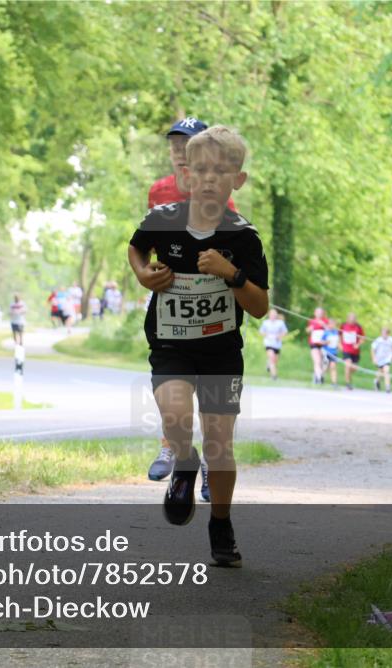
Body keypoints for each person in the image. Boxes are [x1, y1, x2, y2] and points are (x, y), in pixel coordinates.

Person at [128, 125, 268, 566]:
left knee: (220, 444)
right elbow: (135, 249)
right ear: (187, 176)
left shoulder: (243, 237)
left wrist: (232, 274)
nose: (209, 178)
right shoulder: (162, 219)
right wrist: (142, 273)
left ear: (237, 181)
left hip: (221, 351)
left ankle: (220, 524)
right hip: (171, 344)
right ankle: (184, 463)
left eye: (221, 171)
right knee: (174, 415)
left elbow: (260, 306)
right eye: (201, 170)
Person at [145, 116, 235, 489]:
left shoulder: (218, 188)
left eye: (187, 145)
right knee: (172, 381)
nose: (179, 152)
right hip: (168, 297)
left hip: (207, 298)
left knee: (206, 384)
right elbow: (149, 238)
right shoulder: (158, 190)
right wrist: (149, 270)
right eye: (174, 146)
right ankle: (173, 446)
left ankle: (208, 463)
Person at [259, 309, 288, 380]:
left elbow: (285, 332)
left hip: (277, 344)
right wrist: (267, 335)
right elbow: (261, 332)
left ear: (276, 315)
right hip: (268, 343)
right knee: (272, 358)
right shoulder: (265, 322)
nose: (273, 316)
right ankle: (274, 376)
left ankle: (268, 364)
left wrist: (279, 336)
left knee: (274, 361)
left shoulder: (280, 323)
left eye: (274, 314)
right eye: (272, 314)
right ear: (269, 315)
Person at [340, 312, 365, 390]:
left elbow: (363, 338)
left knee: (354, 368)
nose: (352, 320)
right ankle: (348, 384)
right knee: (348, 365)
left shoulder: (358, 327)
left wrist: (358, 344)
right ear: (347, 318)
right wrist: (339, 345)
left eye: (354, 318)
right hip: (346, 350)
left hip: (355, 351)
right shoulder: (343, 326)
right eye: (351, 318)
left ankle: (348, 377)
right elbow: (338, 335)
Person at [305, 308, 329, 384]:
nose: (319, 314)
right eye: (317, 312)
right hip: (314, 344)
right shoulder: (311, 321)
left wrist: (324, 325)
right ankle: (319, 378)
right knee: (317, 361)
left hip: (324, 345)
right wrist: (310, 329)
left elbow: (330, 331)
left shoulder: (326, 321)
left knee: (325, 363)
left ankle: (318, 375)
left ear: (323, 313)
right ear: (315, 313)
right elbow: (307, 331)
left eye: (321, 312)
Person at [371, 327, 392, 393]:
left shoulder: (391, 339)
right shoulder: (378, 340)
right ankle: (376, 381)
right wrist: (374, 358)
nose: (384, 334)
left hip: (387, 358)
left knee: (386, 370)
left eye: (385, 333)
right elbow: (372, 349)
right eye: (382, 333)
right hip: (379, 358)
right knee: (380, 371)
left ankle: (387, 387)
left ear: (388, 334)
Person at [323, 318, 341, 388]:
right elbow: (321, 342)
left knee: (333, 367)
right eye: (331, 324)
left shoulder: (336, 333)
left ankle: (334, 382)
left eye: (334, 324)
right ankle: (320, 377)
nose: (332, 325)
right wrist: (326, 342)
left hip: (334, 353)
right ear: (329, 324)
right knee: (326, 367)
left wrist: (340, 347)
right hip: (326, 352)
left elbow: (339, 342)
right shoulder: (326, 332)